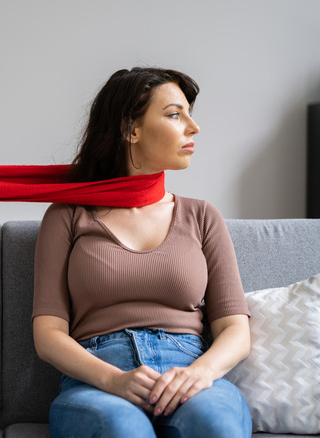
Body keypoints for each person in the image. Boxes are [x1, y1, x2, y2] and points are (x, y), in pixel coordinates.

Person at [32, 68, 252, 437]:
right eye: (174, 114)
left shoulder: (202, 216)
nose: (193, 127)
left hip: (190, 376)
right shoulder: (67, 214)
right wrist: (114, 380)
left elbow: (235, 328)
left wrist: (201, 373)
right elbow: (48, 332)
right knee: (122, 429)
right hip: (98, 380)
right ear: (130, 130)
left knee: (216, 426)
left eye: (189, 113)